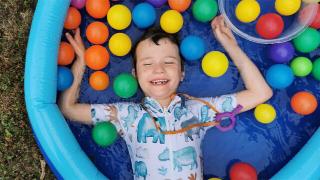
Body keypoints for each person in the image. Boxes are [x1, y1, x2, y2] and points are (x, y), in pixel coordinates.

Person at [58, 15, 273, 179]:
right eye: (147, 64)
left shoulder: (198, 110)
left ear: (181, 73)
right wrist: (80, 65)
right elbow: (68, 109)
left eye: (169, 62)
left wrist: (231, 45)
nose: (159, 69)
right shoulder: (126, 115)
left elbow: (261, 93)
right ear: (135, 75)